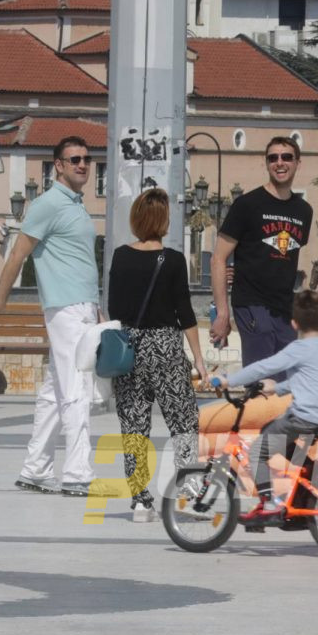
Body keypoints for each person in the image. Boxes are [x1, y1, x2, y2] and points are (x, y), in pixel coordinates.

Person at [0, 136, 115, 498]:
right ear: (58, 165)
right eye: (74, 159)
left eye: (87, 159)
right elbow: (17, 255)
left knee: (56, 390)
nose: (83, 165)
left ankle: (35, 469)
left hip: (81, 306)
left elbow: (79, 262)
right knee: (76, 390)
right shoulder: (47, 204)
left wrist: (95, 305)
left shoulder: (75, 204)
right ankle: (77, 474)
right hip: (66, 309)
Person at [107, 189, 209, 523]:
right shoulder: (174, 260)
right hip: (166, 346)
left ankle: (140, 502)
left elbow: (114, 309)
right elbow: (185, 314)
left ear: (136, 218)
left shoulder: (120, 256)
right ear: (163, 221)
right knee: (183, 423)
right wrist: (199, 359)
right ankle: (192, 494)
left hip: (130, 347)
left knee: (134, 427)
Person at [214, 290, 318, 518]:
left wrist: (228, 381)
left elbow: (263, 367)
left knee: (258, 452)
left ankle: (269, 504)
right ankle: (311, 473)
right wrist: (278, 388)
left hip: (303, 417)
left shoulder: (299, 348)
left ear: (293, 323)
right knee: (270, 429)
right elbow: (311, 381)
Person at [209, 136, 313, 380]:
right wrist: (223, 314)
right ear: (266, 164)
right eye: (273, 158)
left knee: (285, 384)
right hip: (252, 304)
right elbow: (218, 259)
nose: (280, 163)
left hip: (285, 310)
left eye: (286, 157)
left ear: (298, 162)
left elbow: (286, 260)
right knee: (260, 383)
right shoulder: (247, 205)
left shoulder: (304, 211)